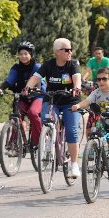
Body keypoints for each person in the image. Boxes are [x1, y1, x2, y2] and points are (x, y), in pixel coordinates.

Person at [24, 37, 84, 178]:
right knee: (48, 121)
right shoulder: (49, 65)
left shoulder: (73, 64)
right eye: (67, 50)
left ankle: (74, 164)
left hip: (70, 102)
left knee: (71, 130)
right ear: (57, 52)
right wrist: (28, 87)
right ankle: (50, 141)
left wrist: (76, 87)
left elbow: (77, 78)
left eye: (71, 49)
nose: (70, 52)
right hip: (52, 100)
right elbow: (36, 77)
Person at [0, 42, 44, 145]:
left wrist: (33, 90)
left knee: (33, 113)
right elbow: (10, 80)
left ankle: (38, 141)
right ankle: (15, 143)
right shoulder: (16, 68)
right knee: (17, 115)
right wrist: (1, 89)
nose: (23, 56)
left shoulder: (37, 67)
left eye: (26, 53)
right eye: (21, 54)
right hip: (23, 97)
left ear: (31, 55)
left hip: (37, 96)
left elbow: (38, 82)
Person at [81, 67, 109, 167]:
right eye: (98, 79)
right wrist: (77, 106)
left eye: (104, 79)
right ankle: (93, 150)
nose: (101, 81)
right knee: (92, 130)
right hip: (102, 122)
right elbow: (87, 101)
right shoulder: (96, 92)